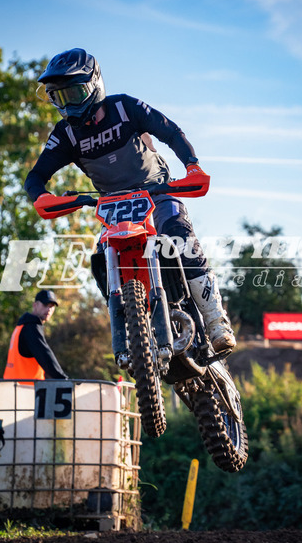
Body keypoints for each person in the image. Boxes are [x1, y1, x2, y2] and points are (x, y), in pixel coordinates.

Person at [25, 48, 235, 353]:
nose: (68, 105)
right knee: (102, 257)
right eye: (59, 97)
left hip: (156, 190)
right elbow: (35, 176)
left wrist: (192, 165)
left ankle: (216, 321)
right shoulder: (66, 134)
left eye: (74, 93)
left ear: (94, 84)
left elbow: (170, 131)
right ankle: (131, 330)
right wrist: (42, 196)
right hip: (113, 204)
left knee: (178, 235)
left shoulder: (124, 107)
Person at [3, 290, 68, 384]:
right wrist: (64, 380)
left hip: (10, 385)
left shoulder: (21, 326)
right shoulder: (31, 327)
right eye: (45, 305)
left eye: (51, 306)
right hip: (25, 388)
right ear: (35, 305)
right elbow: (45, 357)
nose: (49, 309)